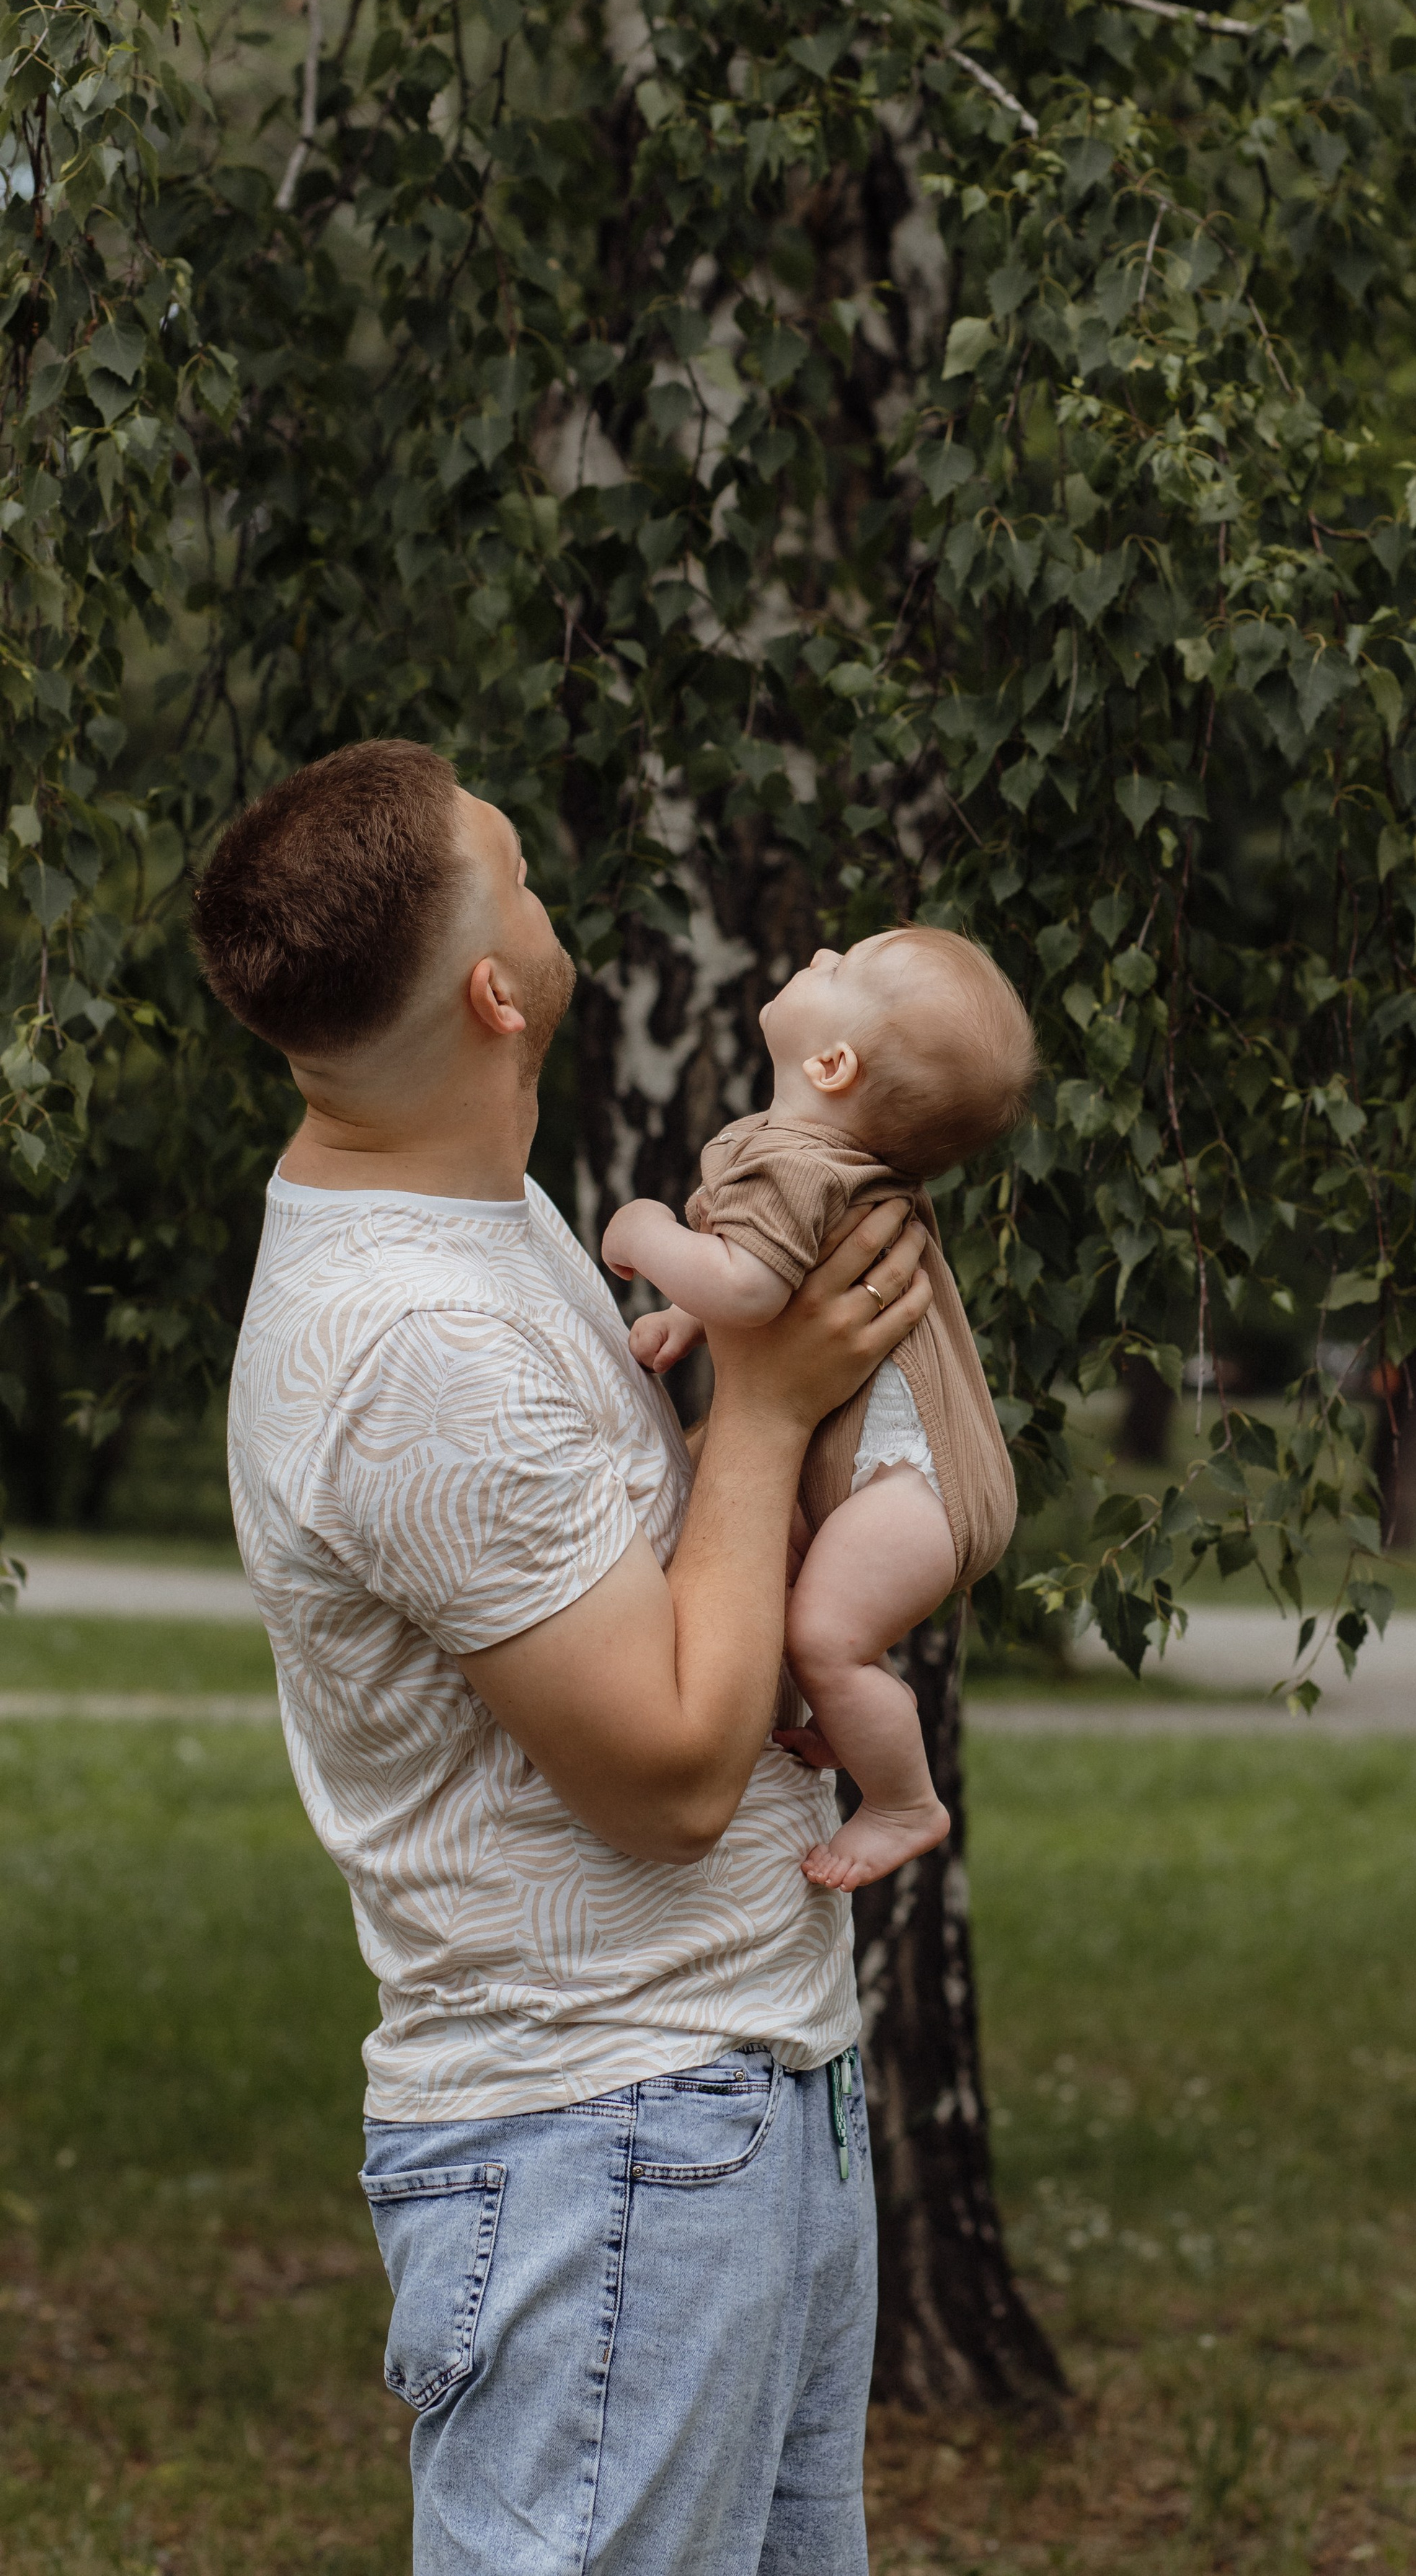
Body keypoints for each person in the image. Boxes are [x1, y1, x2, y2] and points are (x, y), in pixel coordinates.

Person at [193, 738, 931, 2576]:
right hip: (602, 2149)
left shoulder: (476, 1209)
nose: (547, 896)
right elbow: (675, 1776)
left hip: (731, 2095)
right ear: (495, 991)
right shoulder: (408, 1348)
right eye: (516, 874)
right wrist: (764, 1413)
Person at [601, 927, 1035, 1893]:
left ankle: (906, 1802)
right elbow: (777, 1278)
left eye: (841, 969)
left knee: (826, 1638)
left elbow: (754, 1290)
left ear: (832, 1062)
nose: (824, 951)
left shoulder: (801, 1162)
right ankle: (833, 1720)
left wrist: (648, 1232)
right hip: (888, 1479)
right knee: (789, 1582)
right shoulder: (820, 1163)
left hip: (914, 1487)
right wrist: (687, 1317)